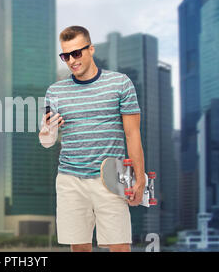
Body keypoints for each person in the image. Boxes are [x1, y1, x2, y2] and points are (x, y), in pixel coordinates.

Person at [39, 26, 145, 252]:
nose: (71, 60)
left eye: (76, 53)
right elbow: (47, 142)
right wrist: (46, 131)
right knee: (79, 248)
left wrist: (139, 178)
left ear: (91, 49)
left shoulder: (120, 83)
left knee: (119, 247)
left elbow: (132, 134)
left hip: (111, 177)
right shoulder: (55, 92)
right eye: (65, 55)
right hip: (70, 179)